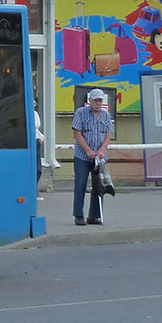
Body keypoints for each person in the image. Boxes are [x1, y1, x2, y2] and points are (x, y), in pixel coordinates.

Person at [72, 88, 113, 225]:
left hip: (99, 158)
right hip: (83, 157)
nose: (98, 103)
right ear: (90, 100)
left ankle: (94, 215)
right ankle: (78, 215)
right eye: (95, 101)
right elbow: (77, 133)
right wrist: (88, 150)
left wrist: (102, 150)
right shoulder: (80, 113)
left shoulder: (106, 115)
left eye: (100, 101)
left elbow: (108, 136)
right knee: (80, 184)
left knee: (99, 186)